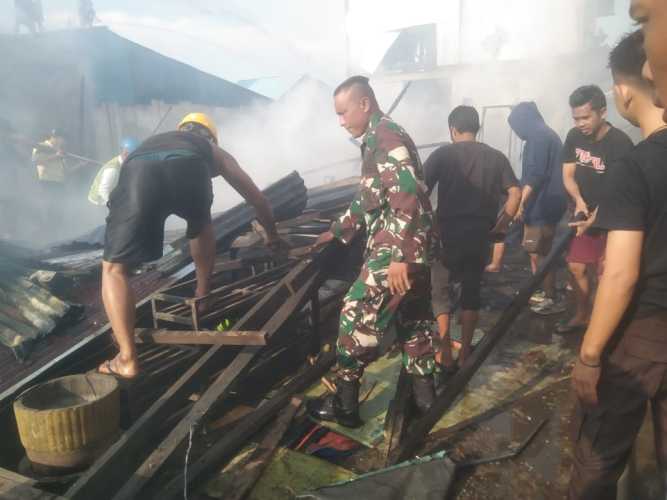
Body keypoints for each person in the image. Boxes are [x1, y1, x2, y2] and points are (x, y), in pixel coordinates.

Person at [98, 113, 282, 378]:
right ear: (211, 138)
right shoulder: (212, 151)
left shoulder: (154, 142)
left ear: (182, 129)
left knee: (114, 269)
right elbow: (258, 200)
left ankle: (126, 358)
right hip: (190, 170)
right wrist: (272, 236)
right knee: (201, 226)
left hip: (139, 172)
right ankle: (202, 294)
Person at [568, 29, 667, 499]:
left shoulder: (638, 162)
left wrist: (589, 355)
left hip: (645, 330)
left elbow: (622, 273)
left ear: (626, 89)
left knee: (599, 457)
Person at [308, 75, 436, 427]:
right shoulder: (376, 139)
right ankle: (427, 402)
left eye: (343, 112)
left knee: (353, 314)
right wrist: (335, 231)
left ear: (364, 104)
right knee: (415, 322)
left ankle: (345, 407)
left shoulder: (385, 137)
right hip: (412, 250)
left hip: (396, 249)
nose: (341, 121)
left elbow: (409, 194)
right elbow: (370, 198)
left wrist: (399, 258)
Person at [424, 105, 520, 371]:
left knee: (440, 291)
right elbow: (515, 192)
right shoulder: (496, 157)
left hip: (448, 234)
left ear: (452, 129)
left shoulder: (443, 154)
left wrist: (431, 223)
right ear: (477, 127)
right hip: (479, 236)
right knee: (471, 291)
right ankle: (465, 352)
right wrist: (502, 224)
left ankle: (444, 351)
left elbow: (419, 191)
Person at [558, 85, 634, 334]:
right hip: (583, 215)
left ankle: (602, 324)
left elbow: (618, 190)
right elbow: (568, 174)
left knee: (605, 274)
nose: (580, 123)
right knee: (577, 267)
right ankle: (582, 314)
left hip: (611, 218)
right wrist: (579, 200)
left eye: (585, 117)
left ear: (602, 111)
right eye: (576, 118)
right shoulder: (574, 136)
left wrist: (596, 217)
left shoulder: (620, 144)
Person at [508, 101, 567, 315]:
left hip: (543, 204)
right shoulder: (545, 133)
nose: (517, 132)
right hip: (548, 202)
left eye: (516, 127)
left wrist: (520, 203)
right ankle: (546, 290)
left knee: (539, 252)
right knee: (539, 250)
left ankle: (551, 298)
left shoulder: (538, 138)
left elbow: (535, 174)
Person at [88, 137, 139, 206]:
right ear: (126, 154)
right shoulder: (112, 170)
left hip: (108, 196)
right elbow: (103, 191)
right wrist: (115, 205)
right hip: (98, 202)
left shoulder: (121, 162)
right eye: (135, 156)